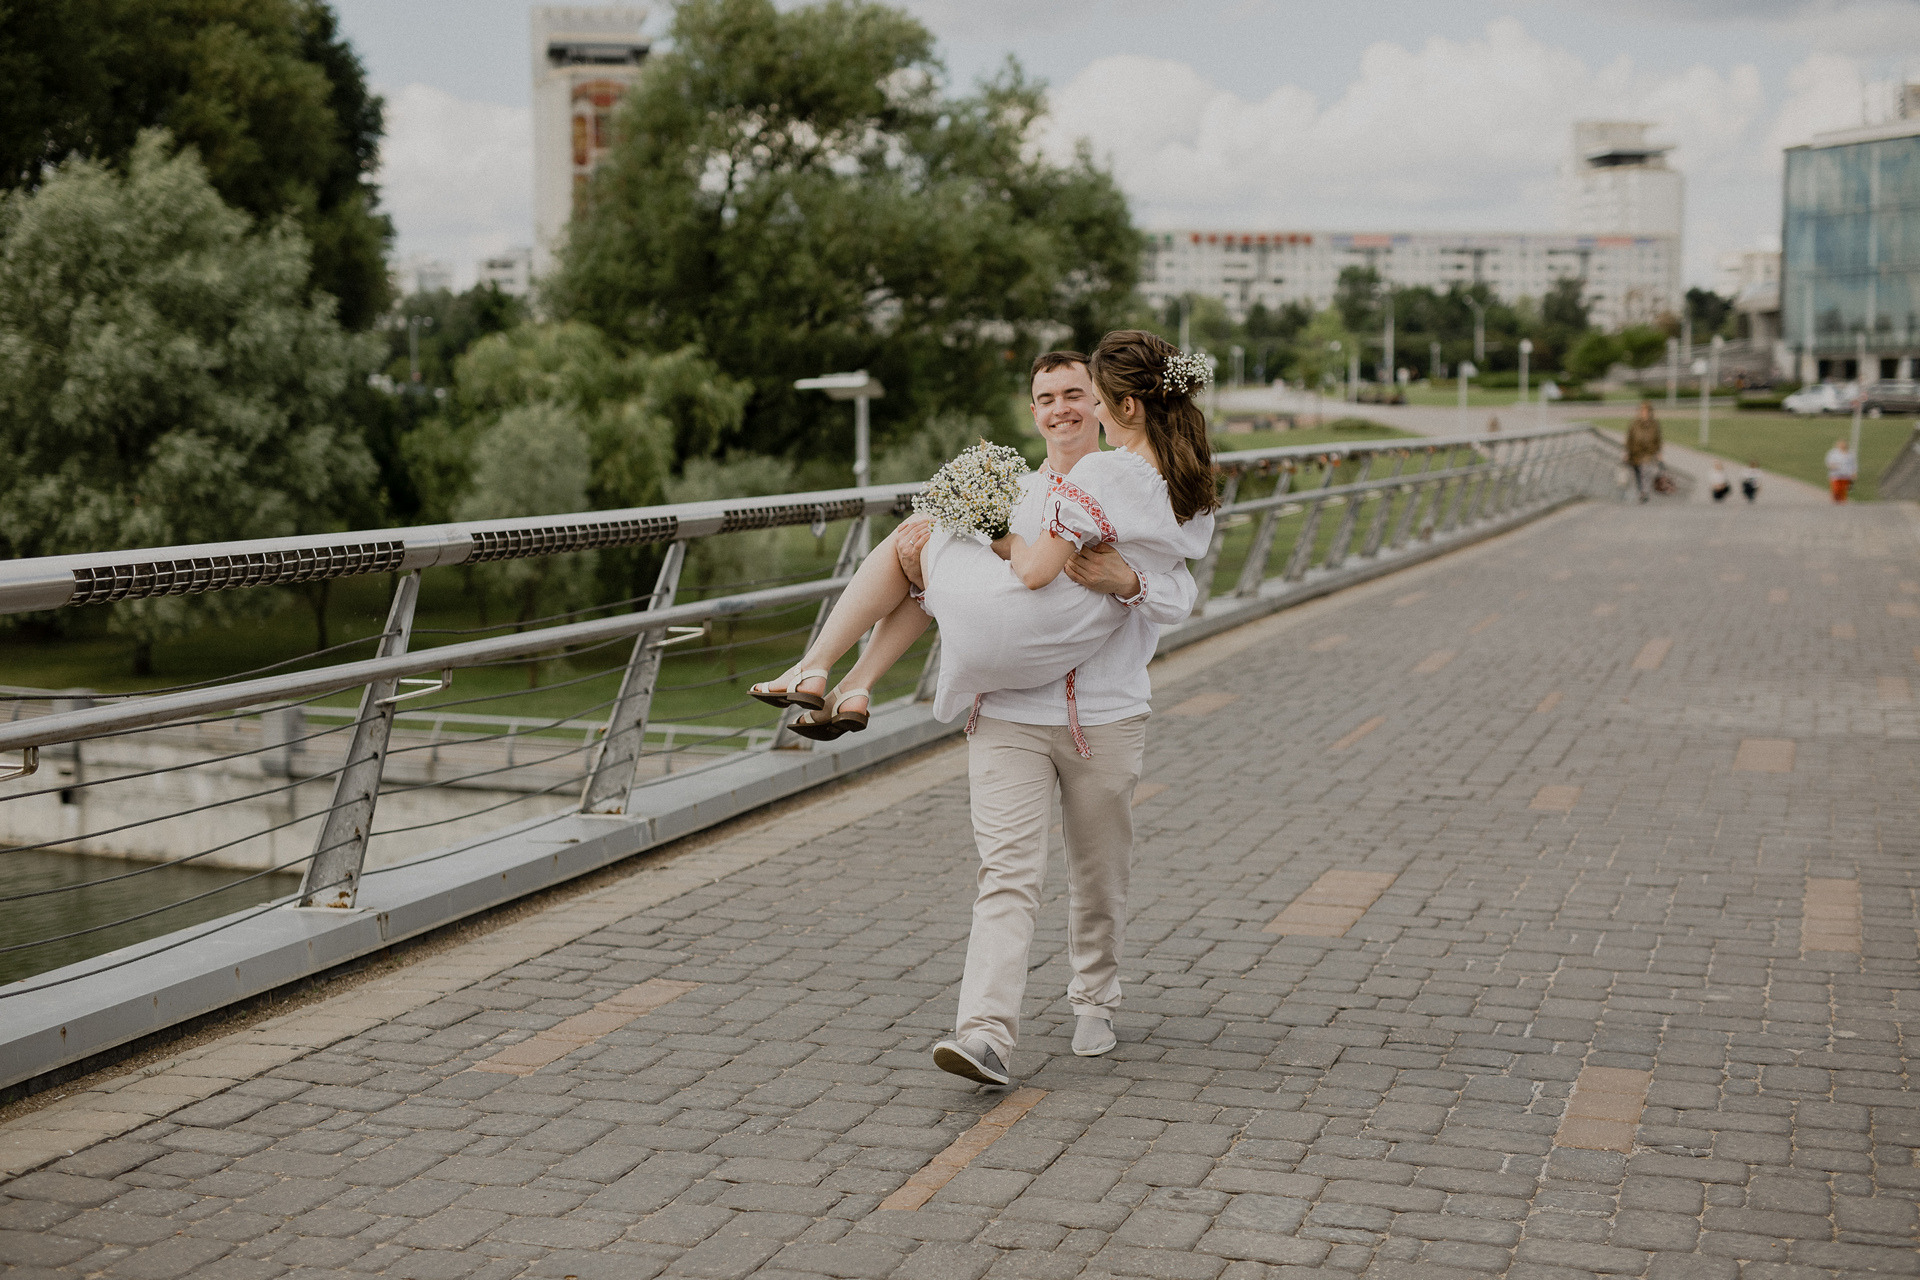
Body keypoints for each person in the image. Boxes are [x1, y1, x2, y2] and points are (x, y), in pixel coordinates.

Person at [1625, 401, 1663, 502]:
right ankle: (1640, 491)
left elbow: (1658, 439)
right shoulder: (1634, 424)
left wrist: (1659, 453)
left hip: (1648, 453)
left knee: (1645, 471)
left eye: (1646, 411)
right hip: (1635, 452)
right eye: (1643, 411)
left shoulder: (1654, 424)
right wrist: (1627, 452)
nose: (1644, 413)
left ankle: (1644, 492)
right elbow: (1629, 438)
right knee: (1637, 473)